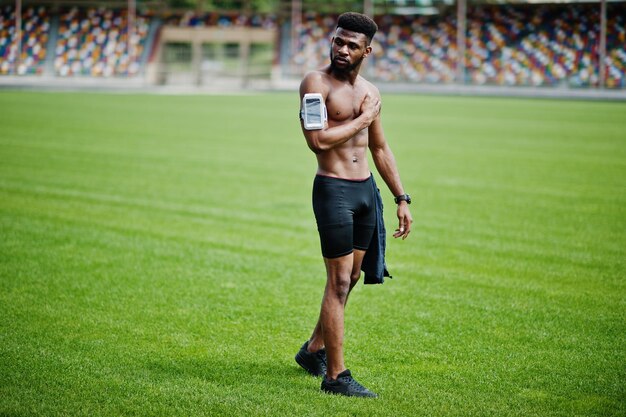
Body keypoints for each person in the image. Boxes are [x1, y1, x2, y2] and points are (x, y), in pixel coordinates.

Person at [294, 12, 413, 398]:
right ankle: (336, 376)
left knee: (353, 278)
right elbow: (318, 141)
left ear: (368, 50)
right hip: (333, 191)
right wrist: (362, 118)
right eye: (338, 41)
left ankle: (313, 349)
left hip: (366, 194)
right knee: (339, 280)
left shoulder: (371, 91)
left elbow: (379, 146)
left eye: (351, 45)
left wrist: (401, 197)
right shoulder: (316, 83)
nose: (342, 50)